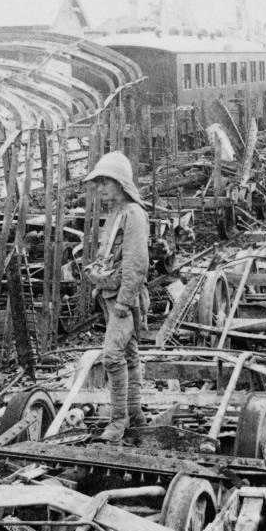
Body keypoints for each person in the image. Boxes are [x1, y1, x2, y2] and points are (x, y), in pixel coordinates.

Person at [83, 151, 149, 442]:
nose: (100, 188)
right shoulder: (114, 214)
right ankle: (136, 415)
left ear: (121, 183)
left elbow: (137, 262)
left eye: (105, 182)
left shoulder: (133, 214)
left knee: (111, 357)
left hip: (125, 298)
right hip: (111, 295)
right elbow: (108, 256)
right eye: (98, 183)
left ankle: (118, 421)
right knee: (129, 355)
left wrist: (124, 301)